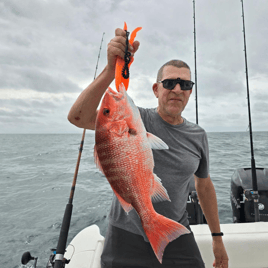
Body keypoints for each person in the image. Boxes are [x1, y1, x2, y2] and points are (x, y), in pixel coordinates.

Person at [68, 28, 229, 268]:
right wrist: (110, 72)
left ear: (190, 92)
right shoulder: (136, 120)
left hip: (175, 229)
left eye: (184, 84)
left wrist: (217, 238)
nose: (177, 89)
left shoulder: (198, 135)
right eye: (169, 82)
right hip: (125, 234)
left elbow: (203, 185)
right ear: (156, 89)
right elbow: (78, 118)